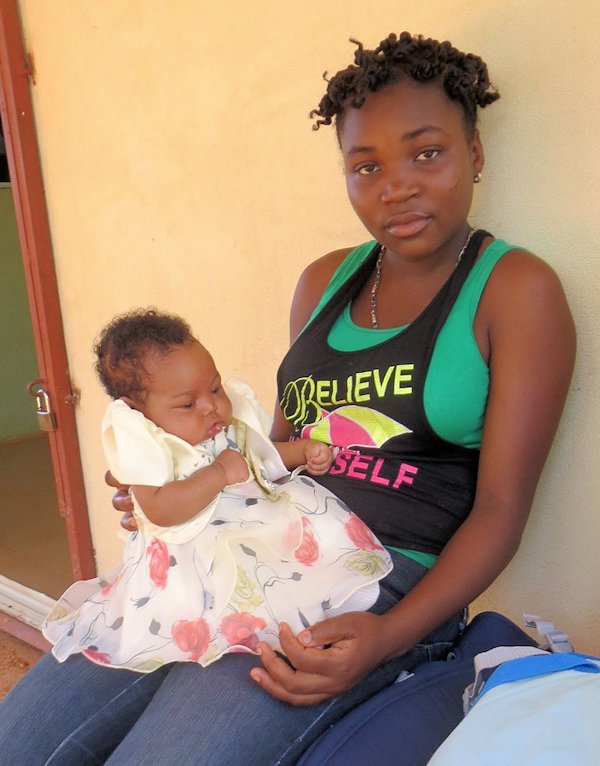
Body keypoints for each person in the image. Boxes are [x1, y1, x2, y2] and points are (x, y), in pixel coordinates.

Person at [0, 32, 576, 765]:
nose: (395, 185)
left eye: (426, 152)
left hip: (380, 582)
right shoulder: (324, 282)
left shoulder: (515, 290)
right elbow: (268, 449)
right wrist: (178, 487)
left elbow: (500, 510)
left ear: (476, 153)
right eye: (366, 166)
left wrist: (388, 639)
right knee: (25, 736)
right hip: (251, 551)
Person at [42, 308, 391, 671]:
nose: (211, 406)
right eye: (188, 403)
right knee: (211, 611)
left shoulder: (218, 426)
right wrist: (219, 473)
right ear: (139, 412)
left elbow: (258, 458)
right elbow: (159, 508)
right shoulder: (149, 445)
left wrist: (301, 451)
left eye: (214, 387)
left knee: (293, 571)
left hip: (252, 536)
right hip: (189, 564)